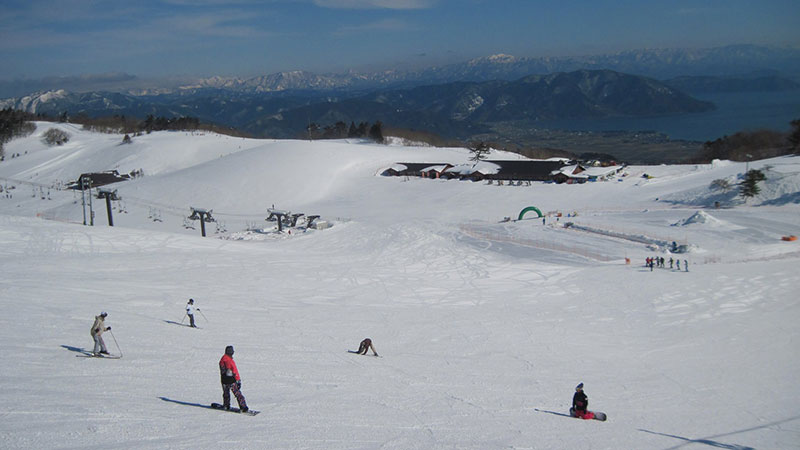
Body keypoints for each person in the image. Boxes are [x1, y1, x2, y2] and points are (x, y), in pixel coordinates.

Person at [219, 345, 248, 413]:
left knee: (226, 393)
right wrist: (238, 380)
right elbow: (234, 371)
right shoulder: (229, 361)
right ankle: (243, 407)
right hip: (231, 380)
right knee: (237, 394)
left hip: (224, 380)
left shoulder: (222, 359)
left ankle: (226, 405)